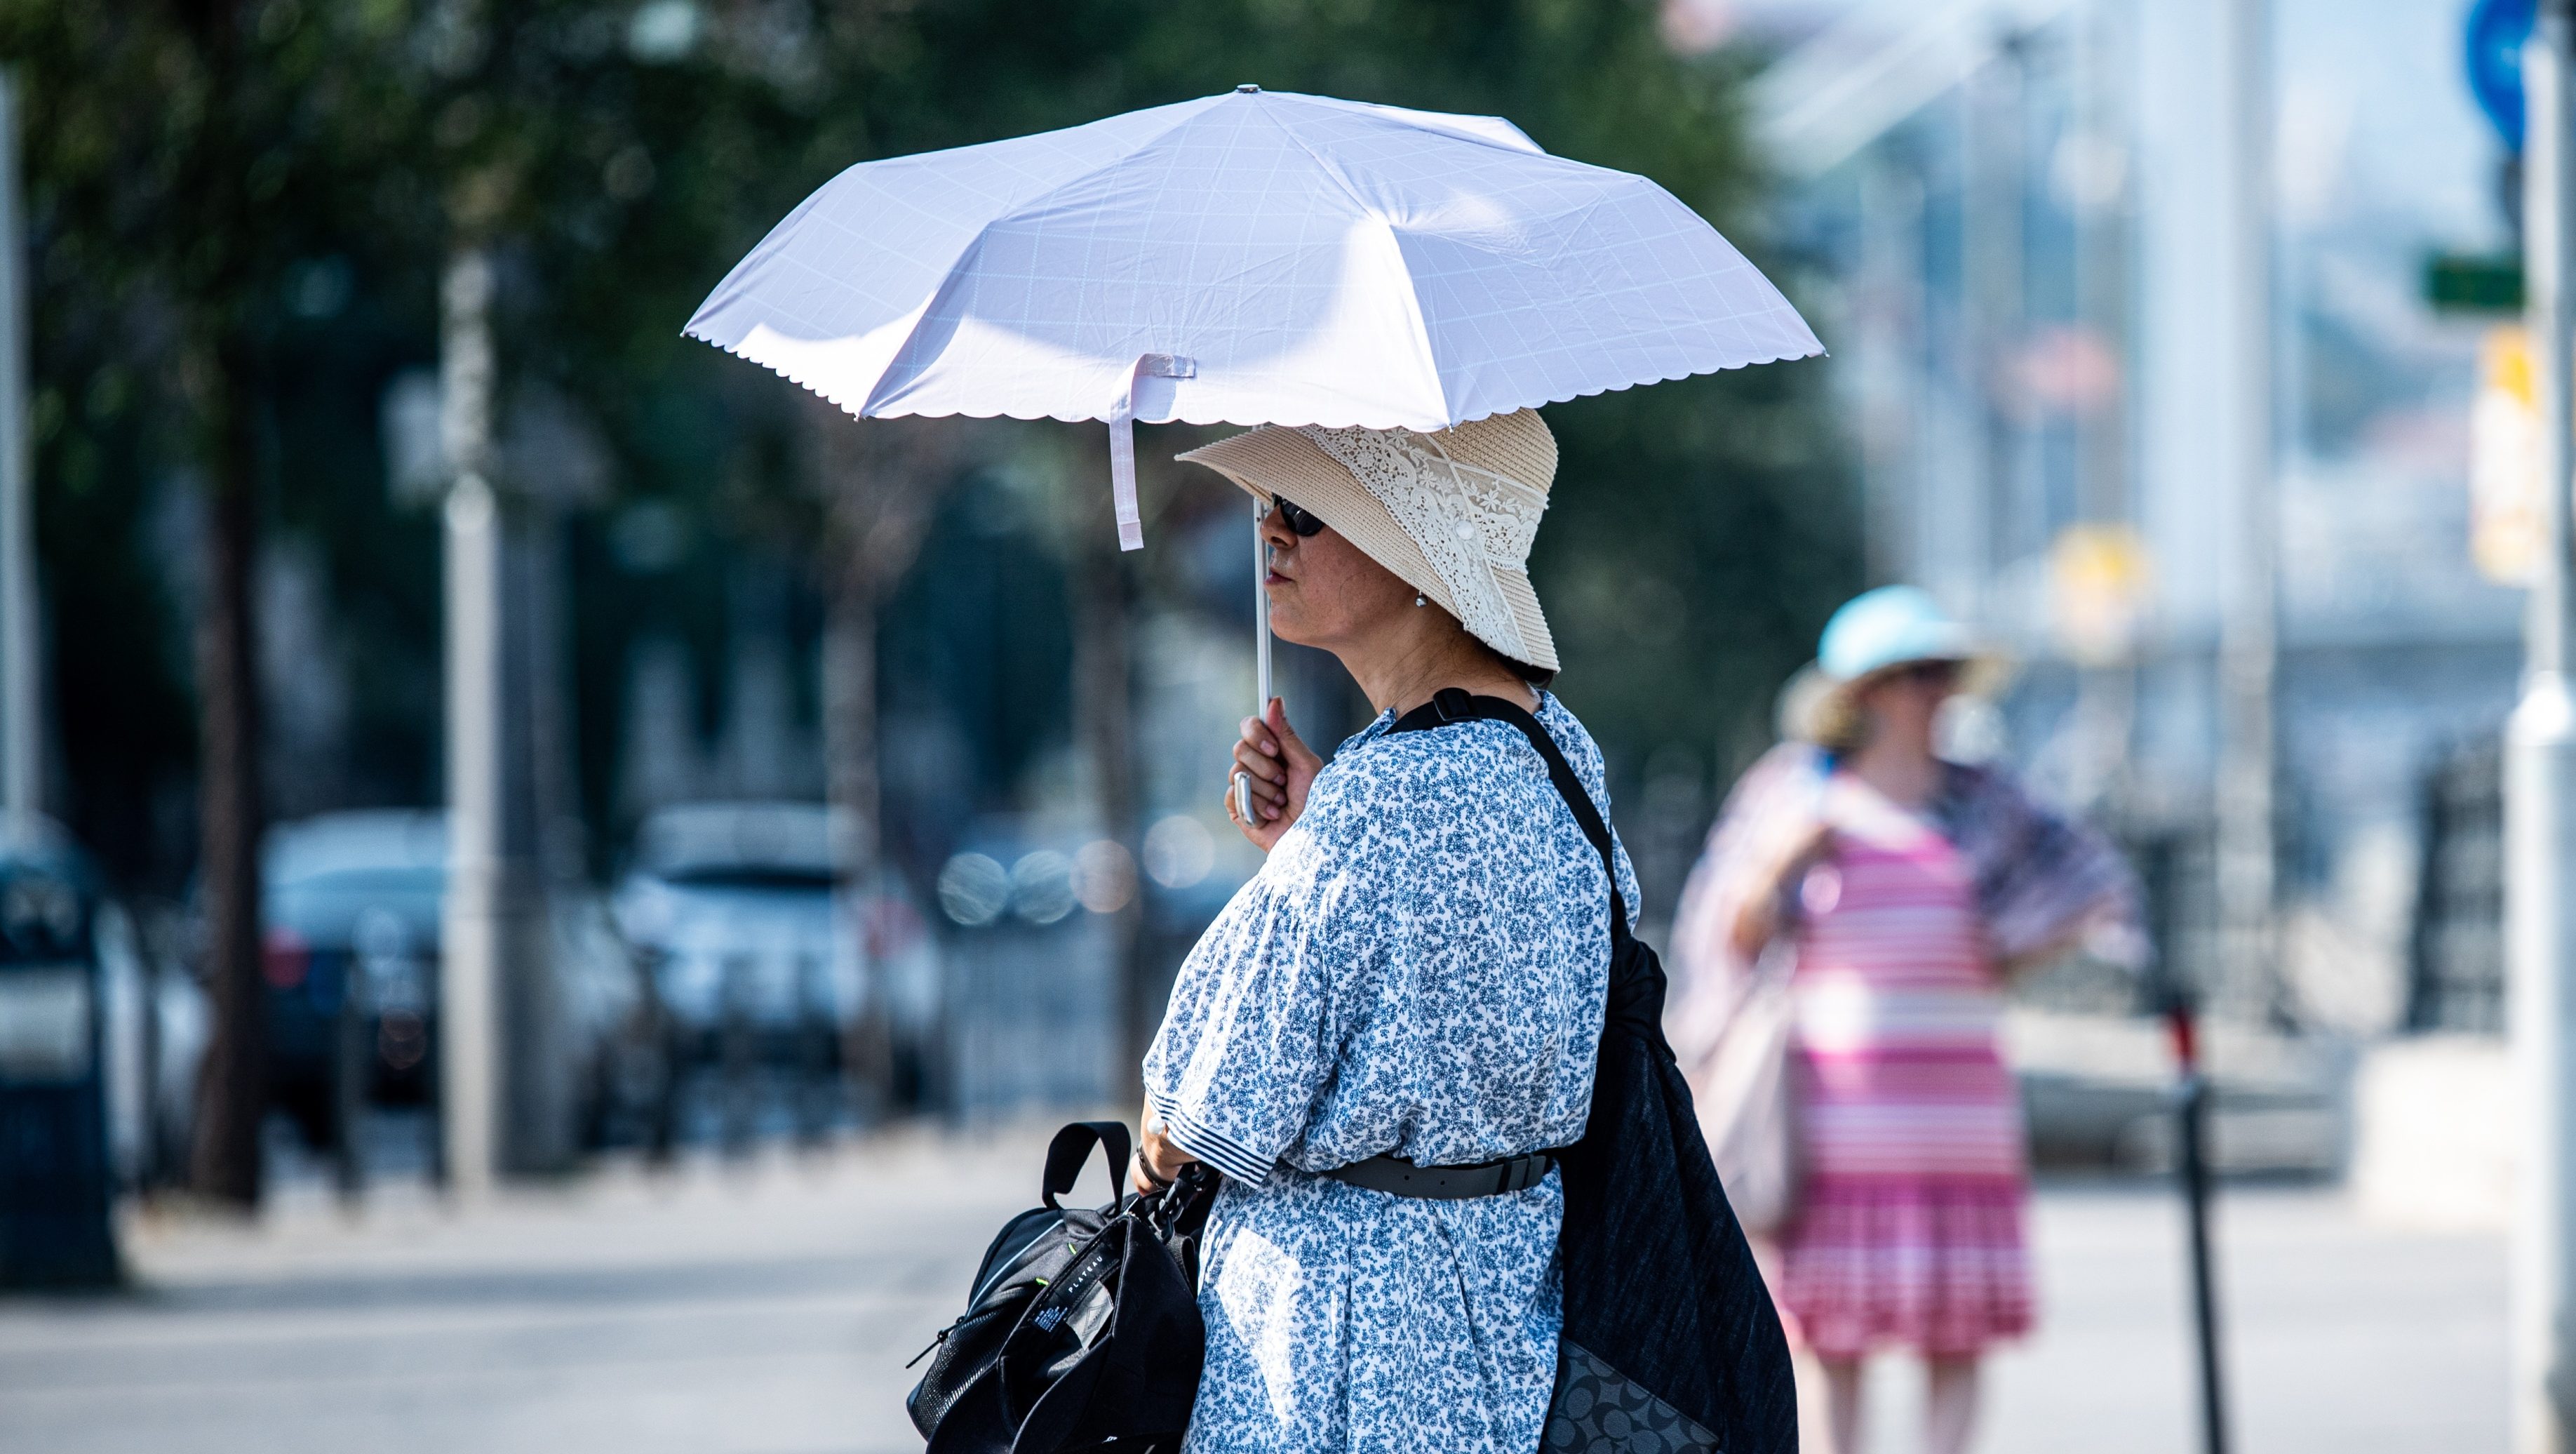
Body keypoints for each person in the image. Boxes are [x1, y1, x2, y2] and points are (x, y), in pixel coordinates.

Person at [1126, 411, 1634, 1454]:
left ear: (1417, 558)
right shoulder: (1558, 753)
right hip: (1504, 1317)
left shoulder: (1385, 797)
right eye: (1267, 506)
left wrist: (1149, 1159)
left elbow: (1197, 1118)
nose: (1267, 533)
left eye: (1305, 514)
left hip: (1337, 1345)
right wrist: (1313, 841)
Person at [1665, 585, 2143, 1454]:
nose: (1943, 693)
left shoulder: (1987, 801)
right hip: (1837, 1124)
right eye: (1923, 674)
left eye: (1948, 674)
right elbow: (1725, 932)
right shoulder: (1795, 791)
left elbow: (2091, 886)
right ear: (1868, 691)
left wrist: (2007, 948)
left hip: (1960, 1117)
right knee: (1830, 1337)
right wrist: (1779, 864)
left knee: (1955, 1331)